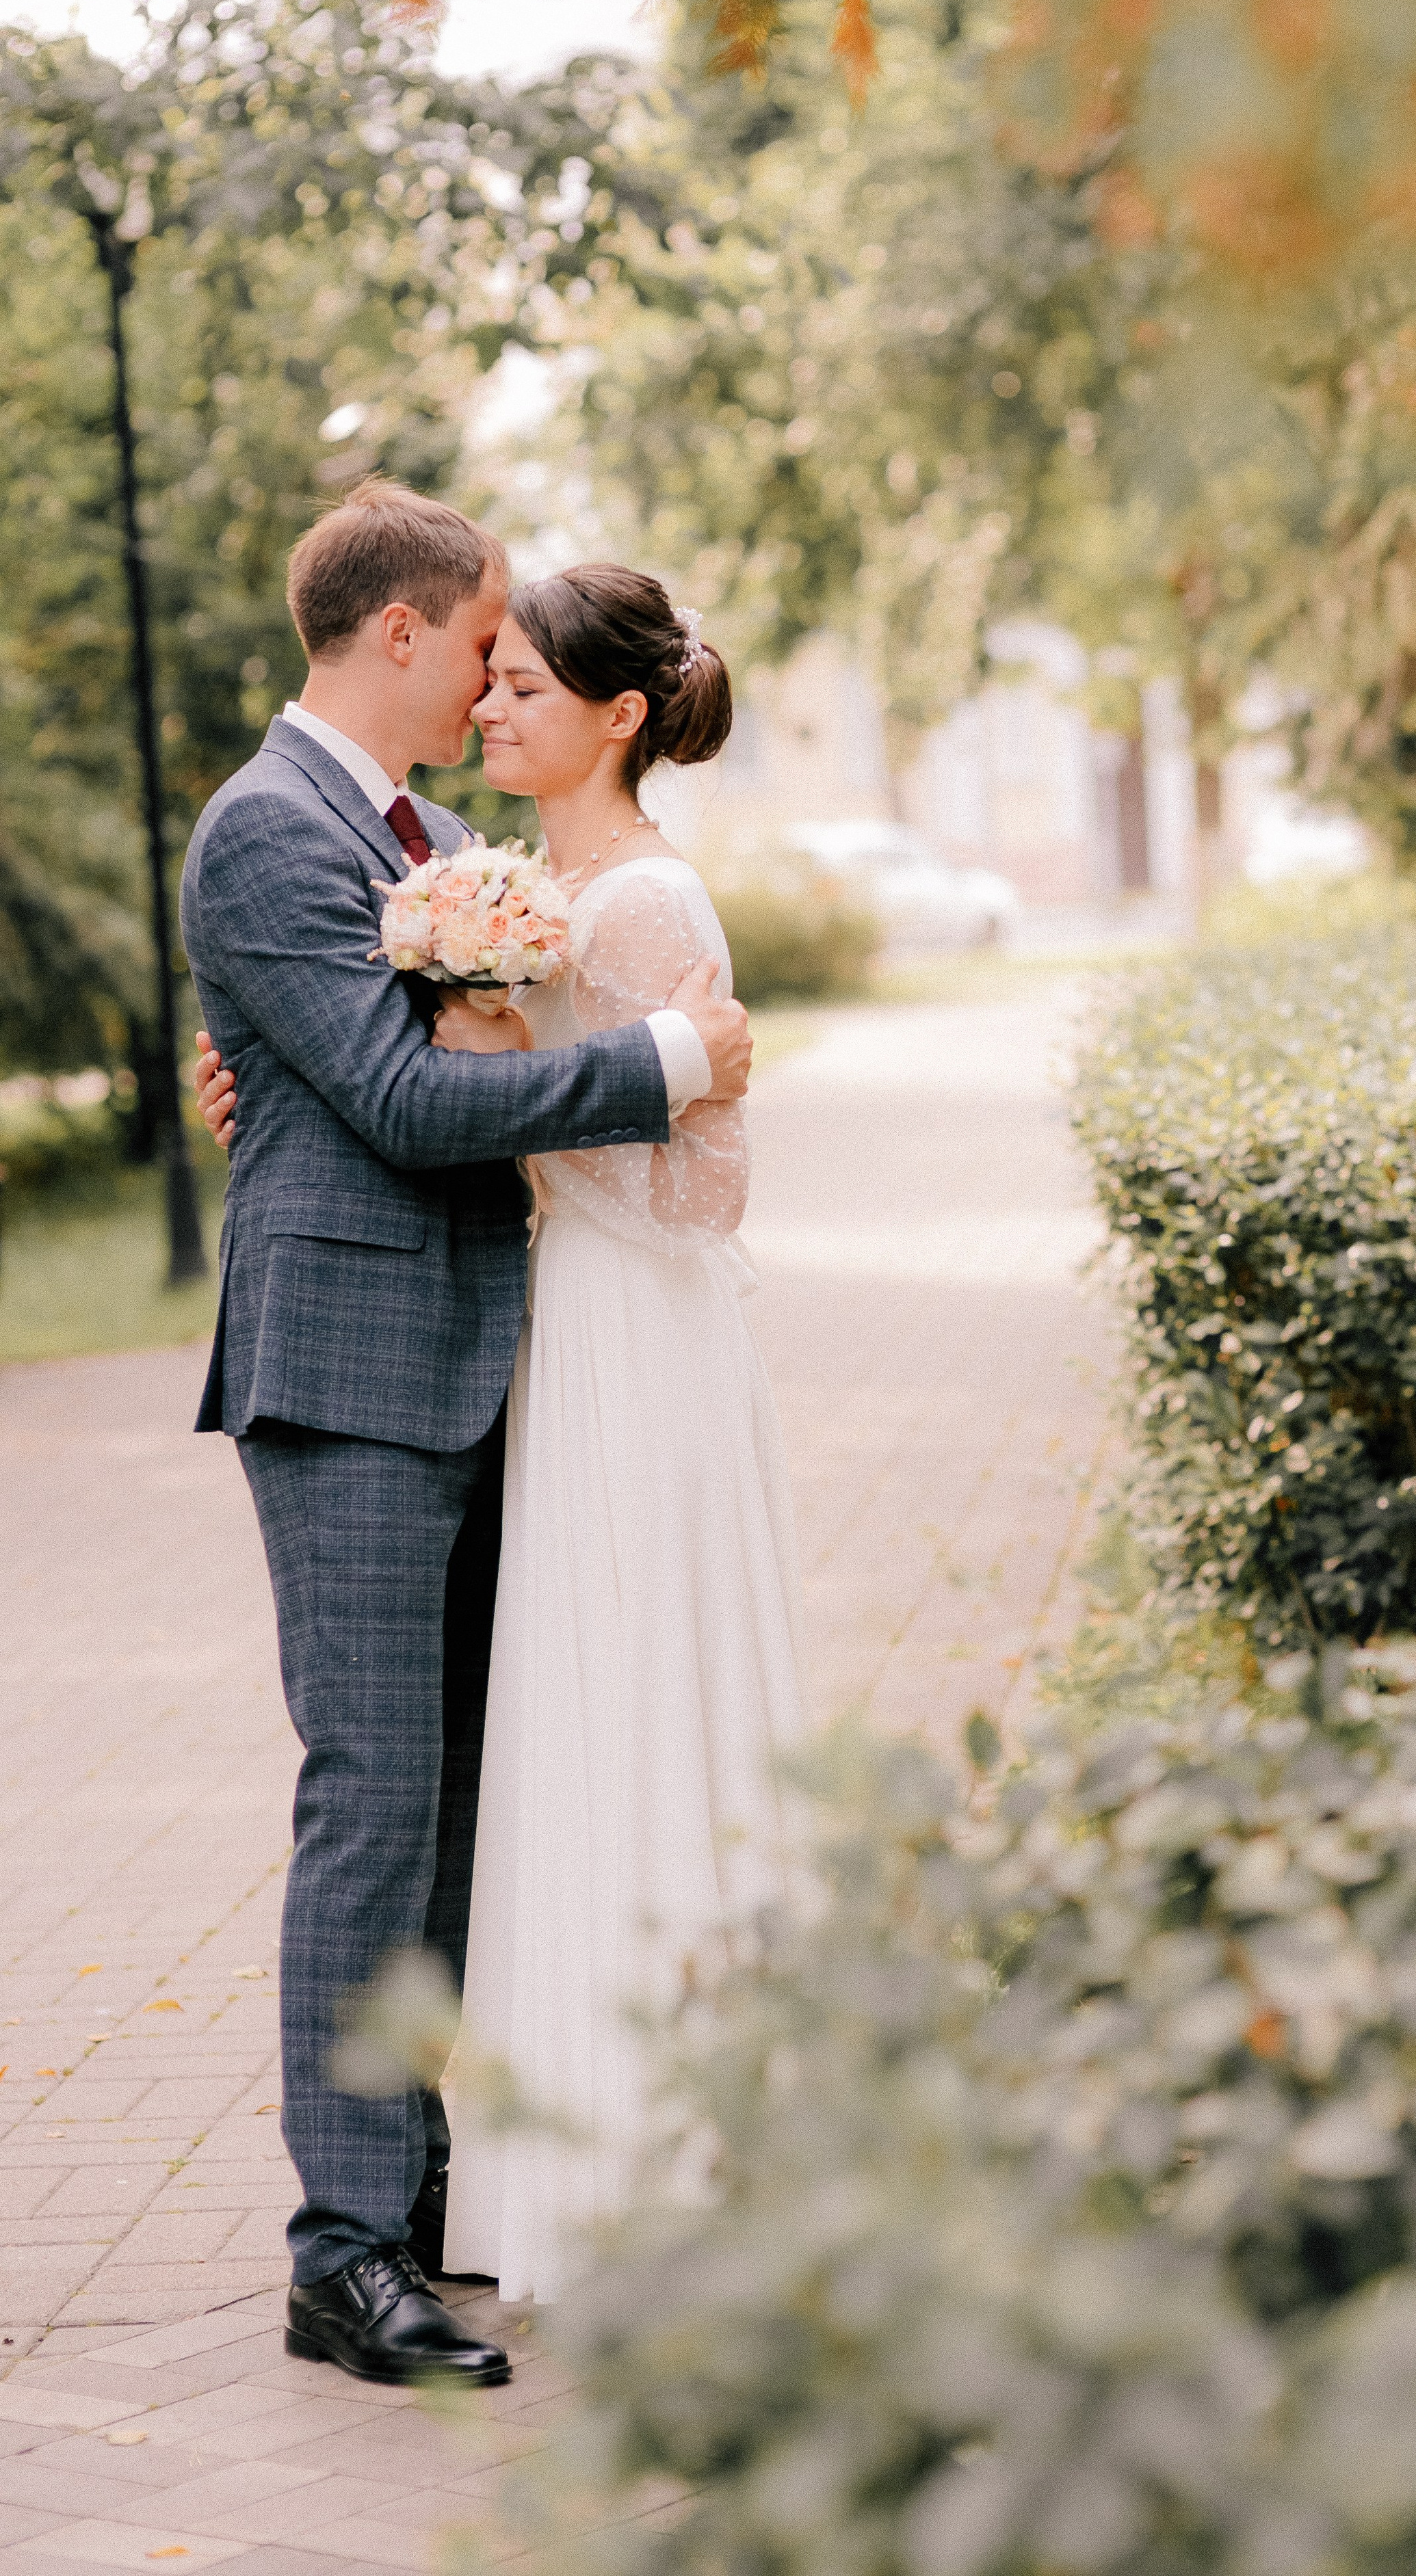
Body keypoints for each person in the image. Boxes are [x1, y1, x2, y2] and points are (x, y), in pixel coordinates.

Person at [179, 481, 751, 2391]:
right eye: (481, 639)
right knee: (372, 1808)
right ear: (402, 632)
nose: (494, 676)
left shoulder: (408, 832)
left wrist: (273, 1075)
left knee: (442, 1818)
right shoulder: (272, 827)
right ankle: (341, 2256)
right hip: (348, 1374)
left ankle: (419, 2184)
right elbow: (409, 1102)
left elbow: (373, 1055)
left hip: (477, 1358)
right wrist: (667, 1064)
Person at [420, 567, 802, 2300]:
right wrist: (494, 1053)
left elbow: (707, 1192)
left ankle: (679, 2151)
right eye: (483, 683)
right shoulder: (517, 887)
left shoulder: (646, 903)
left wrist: (518, 1091)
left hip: (639, 1330)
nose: (487, 709)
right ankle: (567, 2142)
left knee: (642, 1679)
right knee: (564, 1698)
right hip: (558, 1323)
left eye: (516, 687)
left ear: (617, 713)